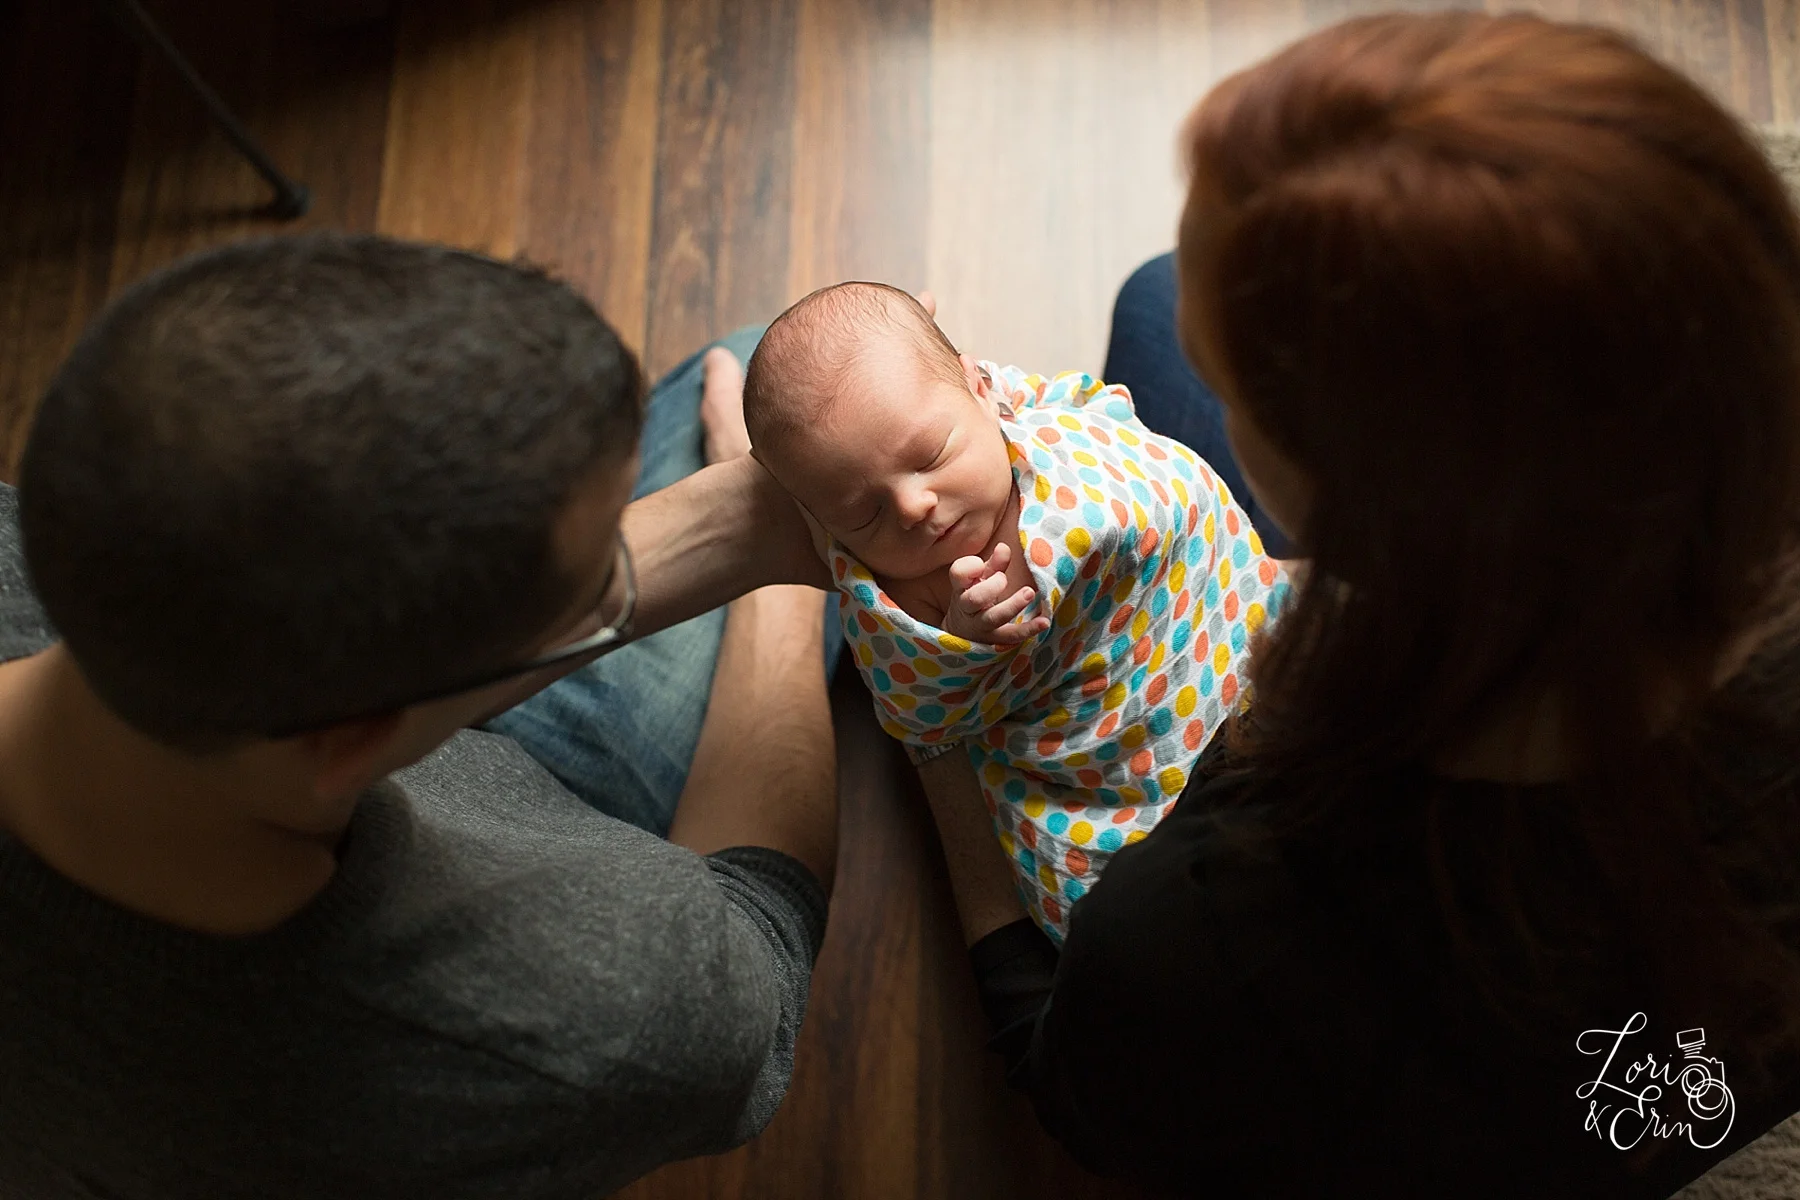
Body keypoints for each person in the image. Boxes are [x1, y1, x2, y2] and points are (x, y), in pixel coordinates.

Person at [917, 13, 1800, 1197]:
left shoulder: (1211, 931)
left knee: (1157, 300)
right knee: (1163, 294)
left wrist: (936, 733)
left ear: (1363, 530)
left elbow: (1064, 1075)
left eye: (1230, 390)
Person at [0, 234, 841, 1199]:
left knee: (789, 380)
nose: (622, 561)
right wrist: (785, 590)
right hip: (564, 839)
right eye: (596, 589)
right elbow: (760, 934)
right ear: (357, 740)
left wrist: (752, 512)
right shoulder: (583, 1014)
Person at [741, 280, 1285, 940]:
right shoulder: (898, 591)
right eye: (864, 513)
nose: (913, 507)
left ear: (980, 391)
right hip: (1120, 751)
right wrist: (960, 639)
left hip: (1207, 607)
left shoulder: (1016, 416)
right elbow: (916, 708)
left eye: (931, 455)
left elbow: (1080, 408)